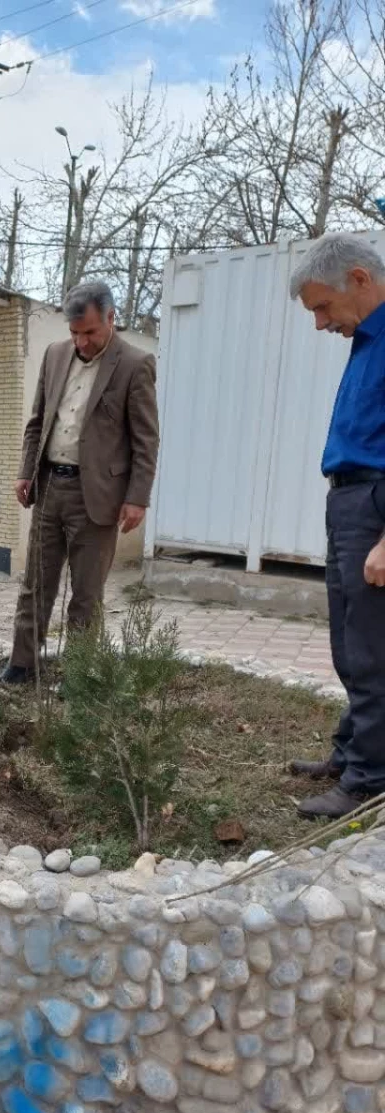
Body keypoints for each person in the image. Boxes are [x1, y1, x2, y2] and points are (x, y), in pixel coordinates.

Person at [0, 281, 160, 684]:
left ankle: (79, 675)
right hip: (50, 486)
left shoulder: (136, 364)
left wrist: (137, 498)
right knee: (35, 584)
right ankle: (22, 664)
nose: (82, 341)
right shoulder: (54, 355)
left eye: (90, 332)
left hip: (97, 498)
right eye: (75, 332)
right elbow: (37, 423)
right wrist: (25, 471)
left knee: (86, 596)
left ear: (111, 318)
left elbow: (146, 438)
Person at [288, 233, 385, 818]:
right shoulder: (366, 338)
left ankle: (370, 779)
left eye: (323, 307)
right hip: (349, 502)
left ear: (358, 279)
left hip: (375, 507)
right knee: (350, 645)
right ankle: (351, 755)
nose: (321, 323)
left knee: (372, 650)